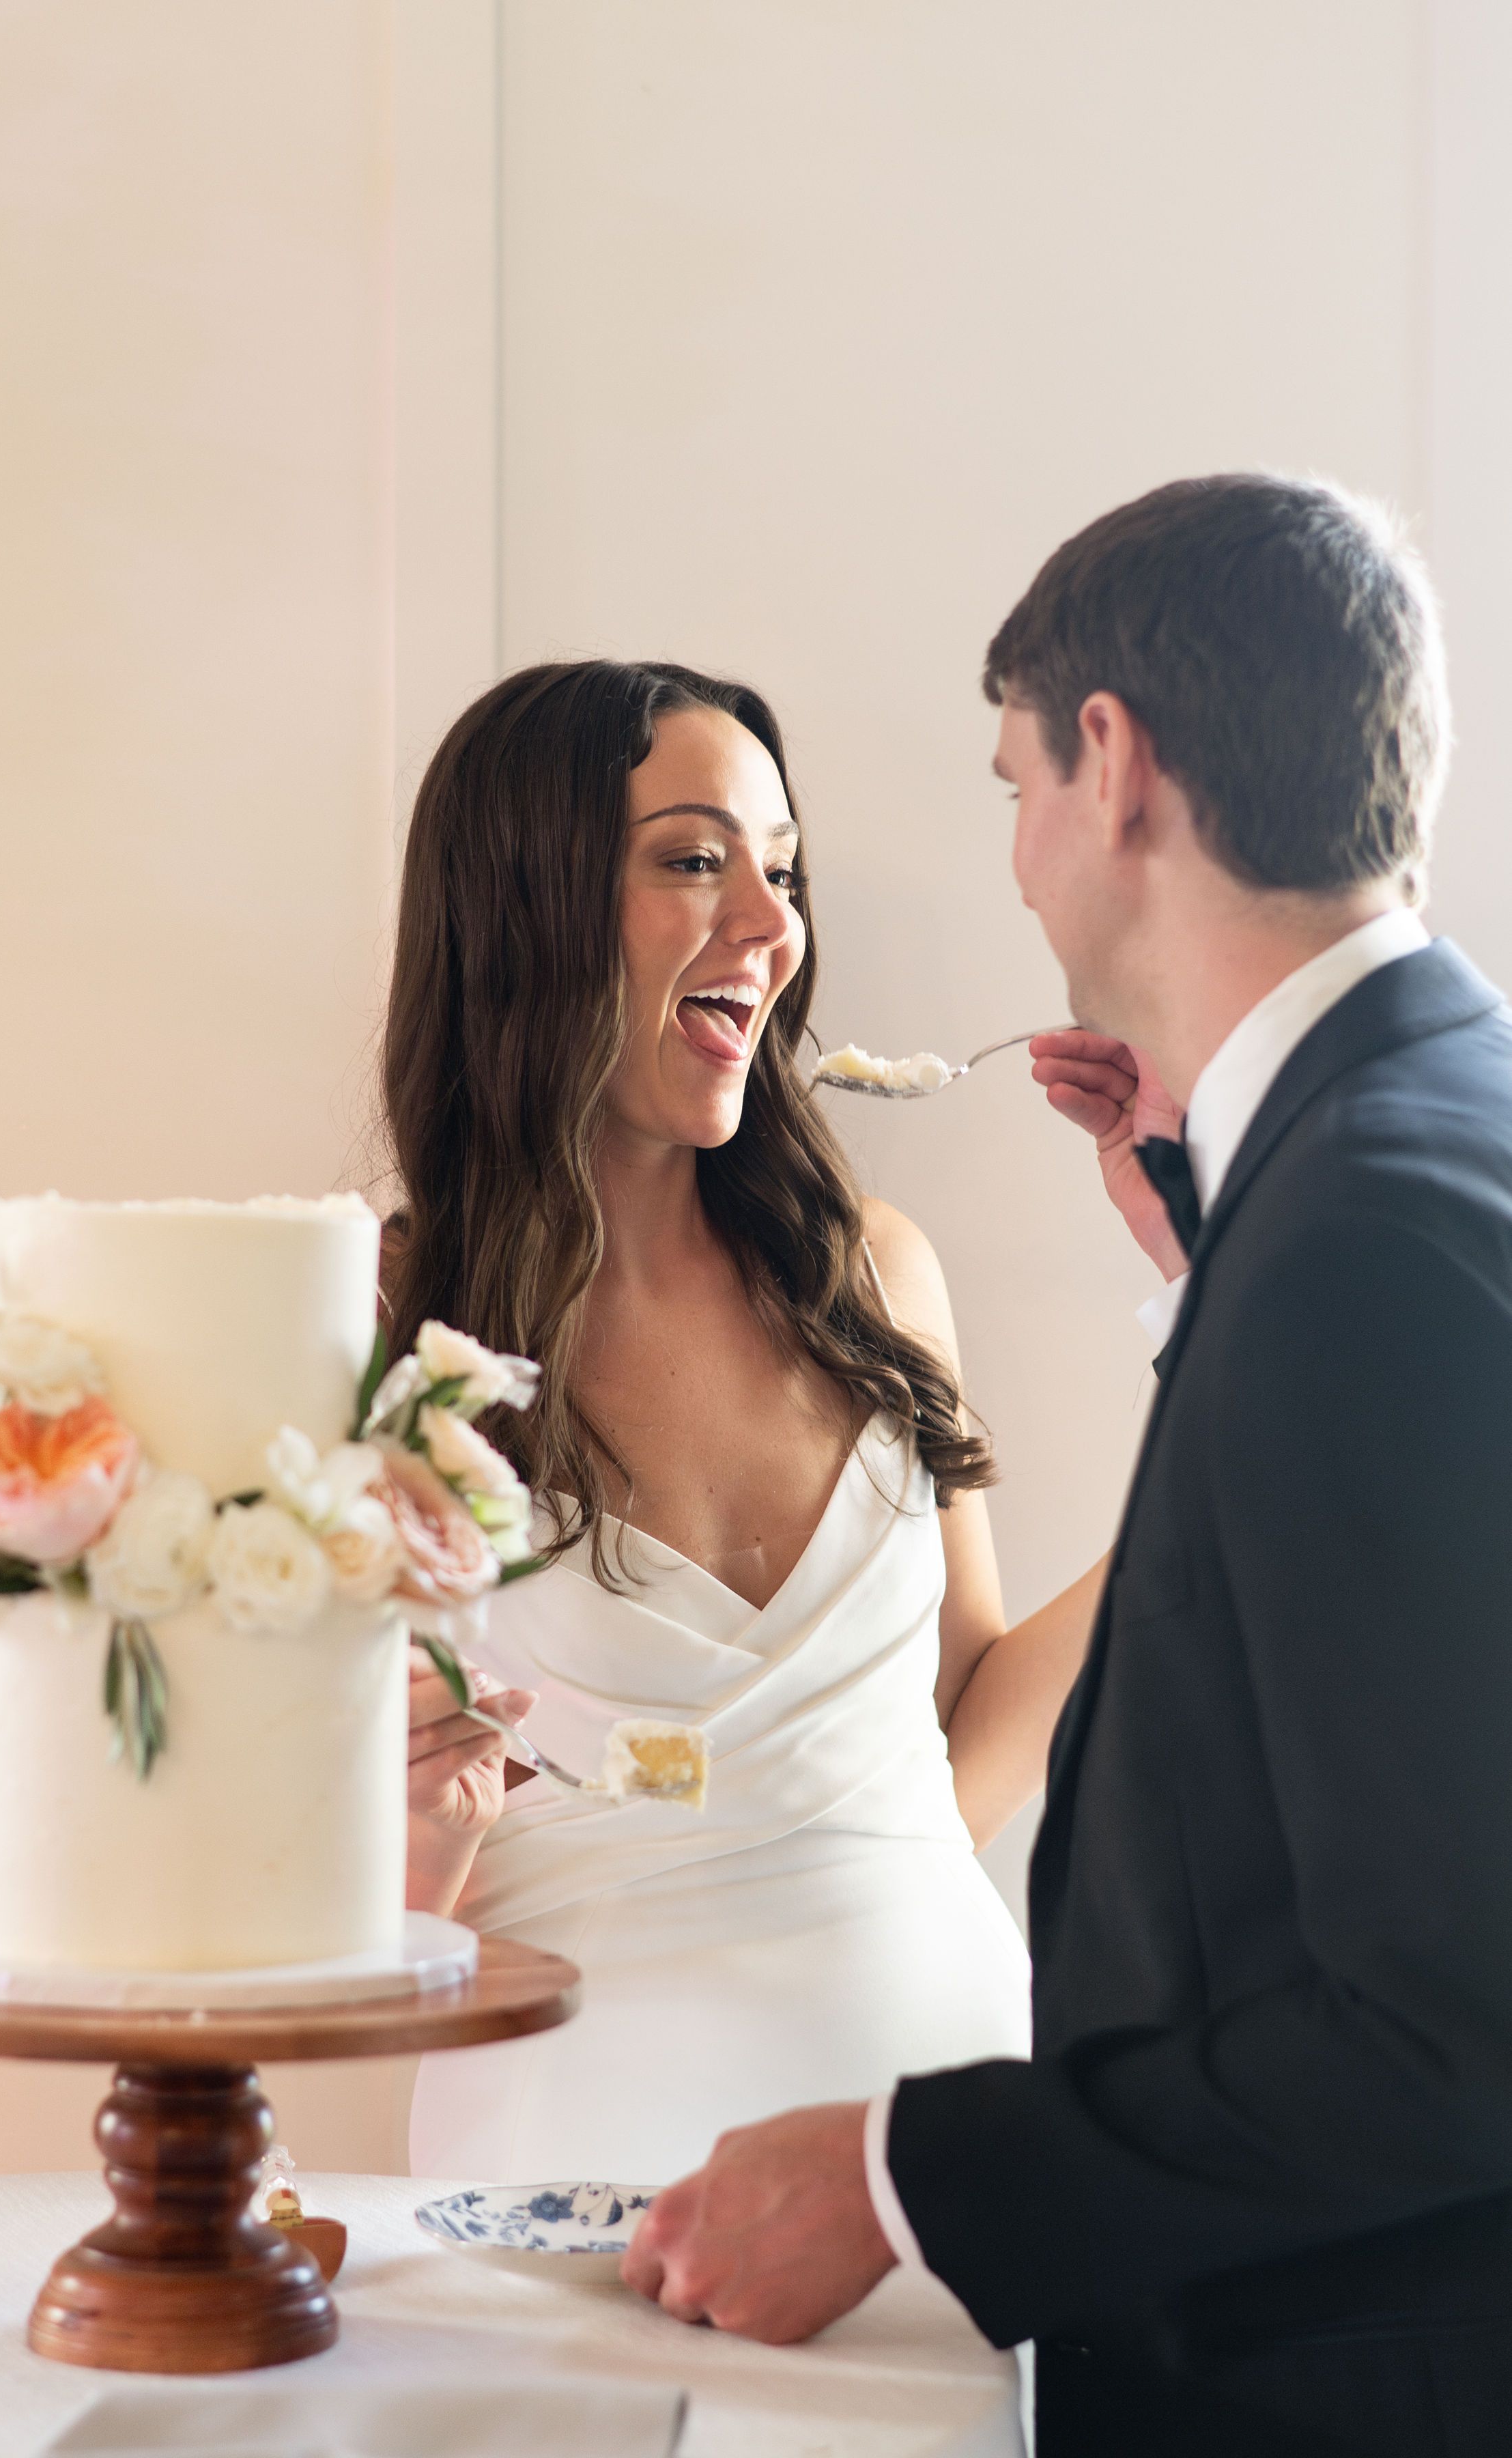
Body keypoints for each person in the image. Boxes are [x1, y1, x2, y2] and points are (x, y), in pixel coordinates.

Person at [623, 475, 1512, 2457]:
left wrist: (895, 2185)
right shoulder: (1414, 1146)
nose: (1015, 853)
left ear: (1108, 766)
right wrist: (1209, 1277)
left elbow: (1455, 2014)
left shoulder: (1360, 1239)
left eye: (1010, 779)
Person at [377, 658, 1104, 2188]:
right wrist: (409, 1843)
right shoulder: (371, 1327)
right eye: (698, 861)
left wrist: (1230, 1374)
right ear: (529, 899)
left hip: (940, 2153)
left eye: (781, 874)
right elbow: (326, 1910)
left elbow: (960, 1725)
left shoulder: (875, 1273)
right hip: (567, 2161)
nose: (771, 932)